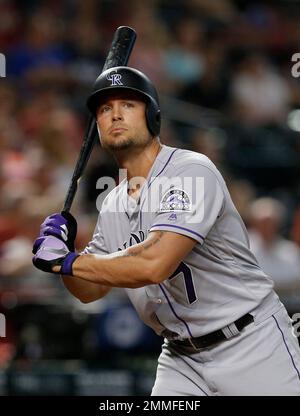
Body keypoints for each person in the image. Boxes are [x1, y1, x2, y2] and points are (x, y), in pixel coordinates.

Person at [32, 66, 300, 396]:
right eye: (104, 108)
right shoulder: (114, 203)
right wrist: (62, 254)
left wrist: (67, 262)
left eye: (128, 105)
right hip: (180, 358)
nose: (115, 114)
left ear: (154, 117)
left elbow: (154, 263)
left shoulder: (190, 172)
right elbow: (89, 289)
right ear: (96, 127)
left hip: (250, 343)